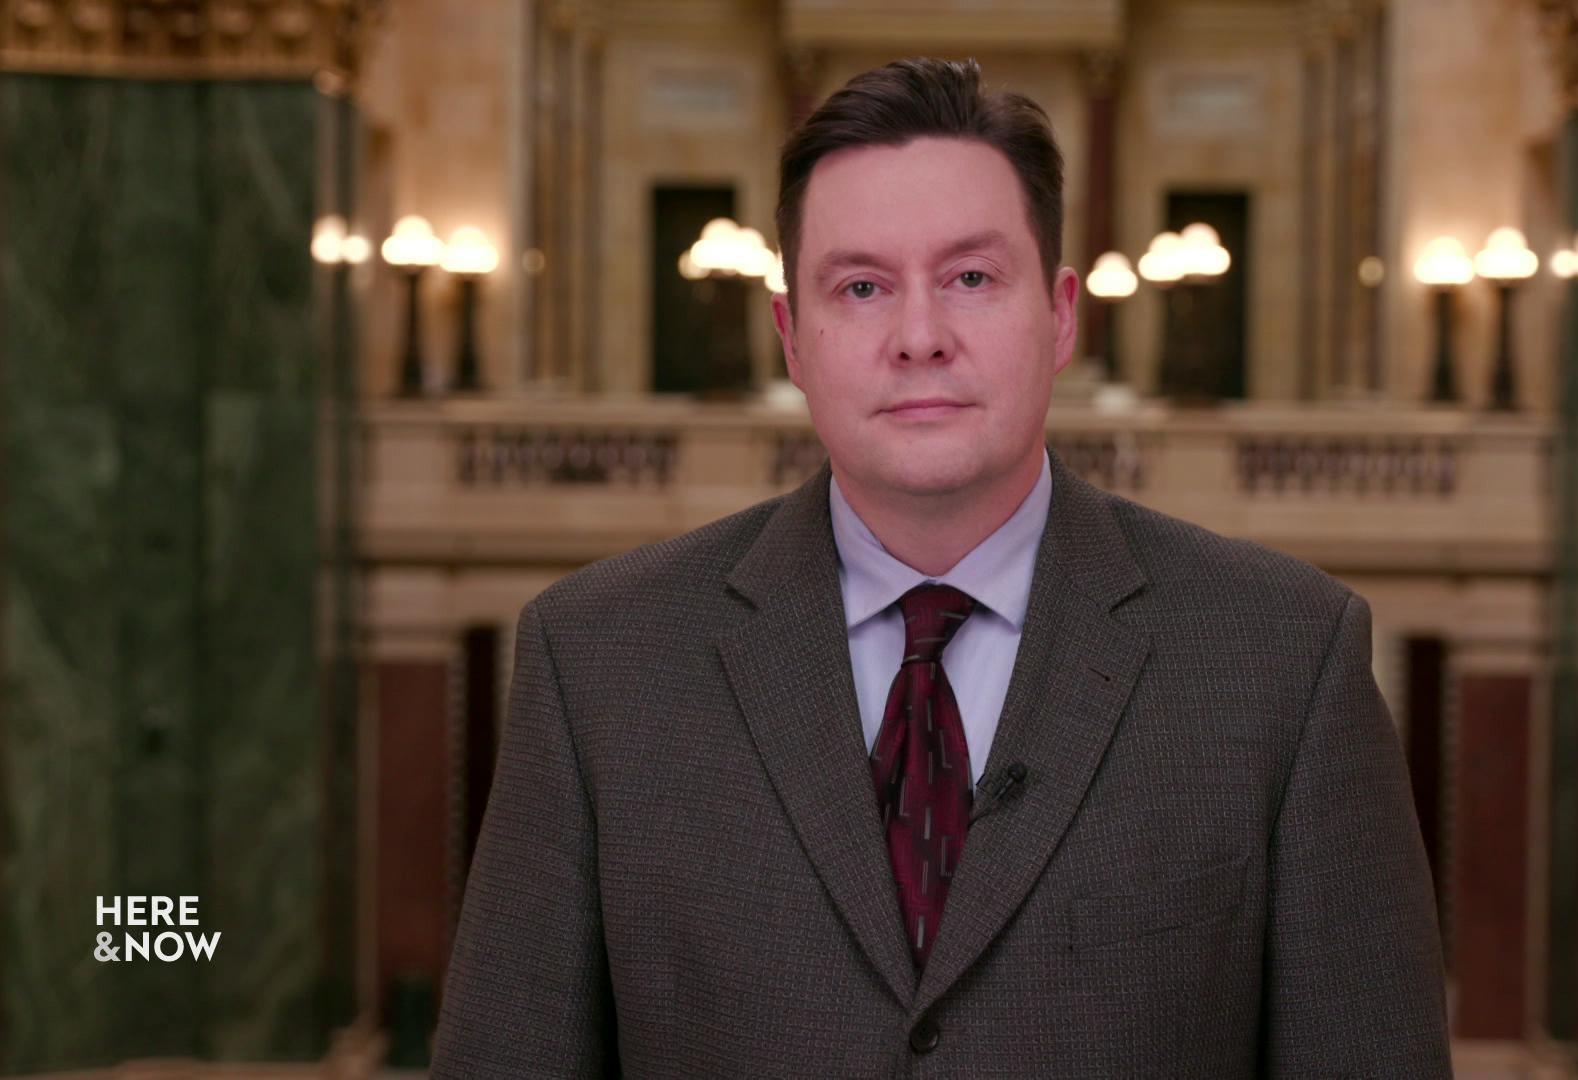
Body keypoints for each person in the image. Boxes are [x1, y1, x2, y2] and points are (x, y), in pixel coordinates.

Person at [430, 56, 1450, 1078]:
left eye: (970, 278)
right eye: (862, 287)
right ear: (793, 336)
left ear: (1059, 316)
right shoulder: (599, 661)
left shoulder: (1284, 659)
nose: (920, 338)